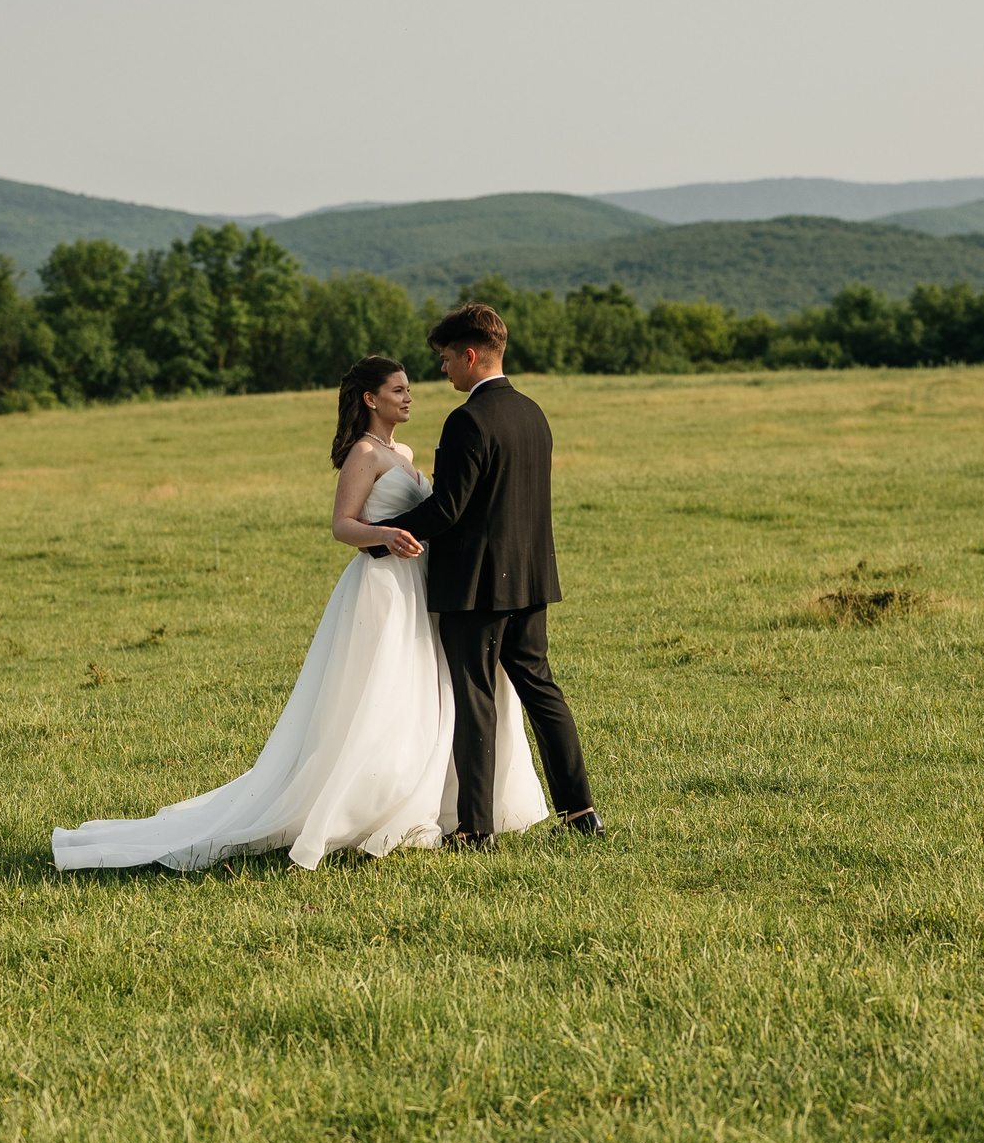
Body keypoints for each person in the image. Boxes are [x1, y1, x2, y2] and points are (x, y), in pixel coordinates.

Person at [48, 354, 549, 873]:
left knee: (426, 693)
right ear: (370, 399)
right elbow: (342, 525)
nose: (408, 397)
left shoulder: (404, 451)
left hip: (418, 586)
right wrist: (384, 536)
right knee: (381, 696)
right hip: (382, 587)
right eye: (397, 390)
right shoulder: (363, 453)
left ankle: (425, 796)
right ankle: (361, 801)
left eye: (408, 389)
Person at [367, 302, 603, 851]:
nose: (443, 370)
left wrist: (378, 539)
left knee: (475, 699)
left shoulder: (468, 420)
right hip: (531, 578)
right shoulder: (533, 412)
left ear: (471, 356)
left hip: (476, 585)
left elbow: (448, 508)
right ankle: (581, 811)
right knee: (542, 691)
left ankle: (476, 830)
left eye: (447, 359)